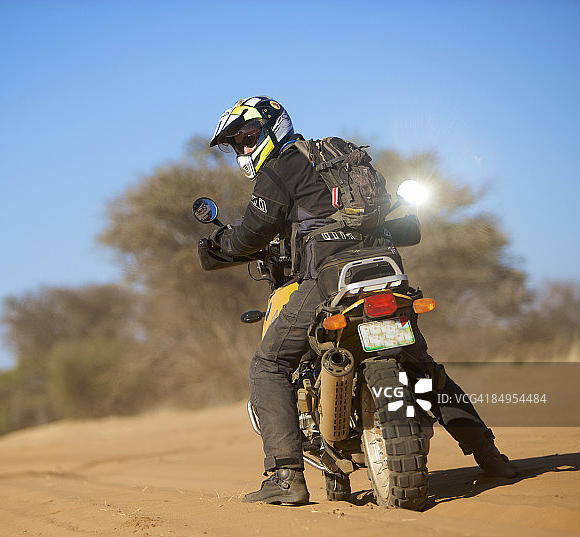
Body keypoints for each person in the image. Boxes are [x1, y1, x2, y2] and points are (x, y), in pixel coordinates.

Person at [206, 96, 518, 505]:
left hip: (329, 277)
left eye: (249, 135)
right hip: (386, 269)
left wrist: (221, 242)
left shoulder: (281, 168)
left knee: (269, 364)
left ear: (273, 126)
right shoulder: (340, 154)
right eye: (236, 142)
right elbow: (384, 210)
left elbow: (253, 231)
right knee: (423, 367)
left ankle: (286, 477)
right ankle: (491, 458)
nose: (244, 147)